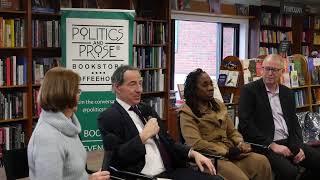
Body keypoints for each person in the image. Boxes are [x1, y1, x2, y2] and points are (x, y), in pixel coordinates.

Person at [98, 65, 223, 180]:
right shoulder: (109, 117)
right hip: (144, 176)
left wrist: (192, 153)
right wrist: (143, 136)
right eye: (132, 84)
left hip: (170, 171)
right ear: (117, 87)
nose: (139, 89)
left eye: (140, 83)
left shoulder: (145, 109)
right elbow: (117, 158)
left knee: (217, 179)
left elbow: (169, 141)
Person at [179, 68, 272, 180]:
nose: (210, 88)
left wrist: (240, 143)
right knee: (240, 178)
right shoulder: (187, 112)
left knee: (261, 162)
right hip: (210, 157)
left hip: (232, 151)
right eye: (204, 85)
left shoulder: (218, 105)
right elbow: (195, 143)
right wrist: (226, 152)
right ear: (194, 89)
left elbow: (232, 132)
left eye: (211, 84)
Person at [238, 54, 320, 180]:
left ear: (282, 71)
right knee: (289, 172)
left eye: (275, 70)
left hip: (288, 141)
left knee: (317, 160)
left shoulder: (287, 93)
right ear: (262, 70)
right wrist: (272, 145)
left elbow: (294, 123)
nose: (270, 73)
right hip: (264, 144)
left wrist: (298, 146)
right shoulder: (249, 91)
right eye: (267, 69)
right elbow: (245, 125)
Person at [28, 67, 110, 180]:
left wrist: (91, 177)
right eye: (77, 91)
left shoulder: (68, 125)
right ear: (63, 94)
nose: (79, 95)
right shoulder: (47, 137)